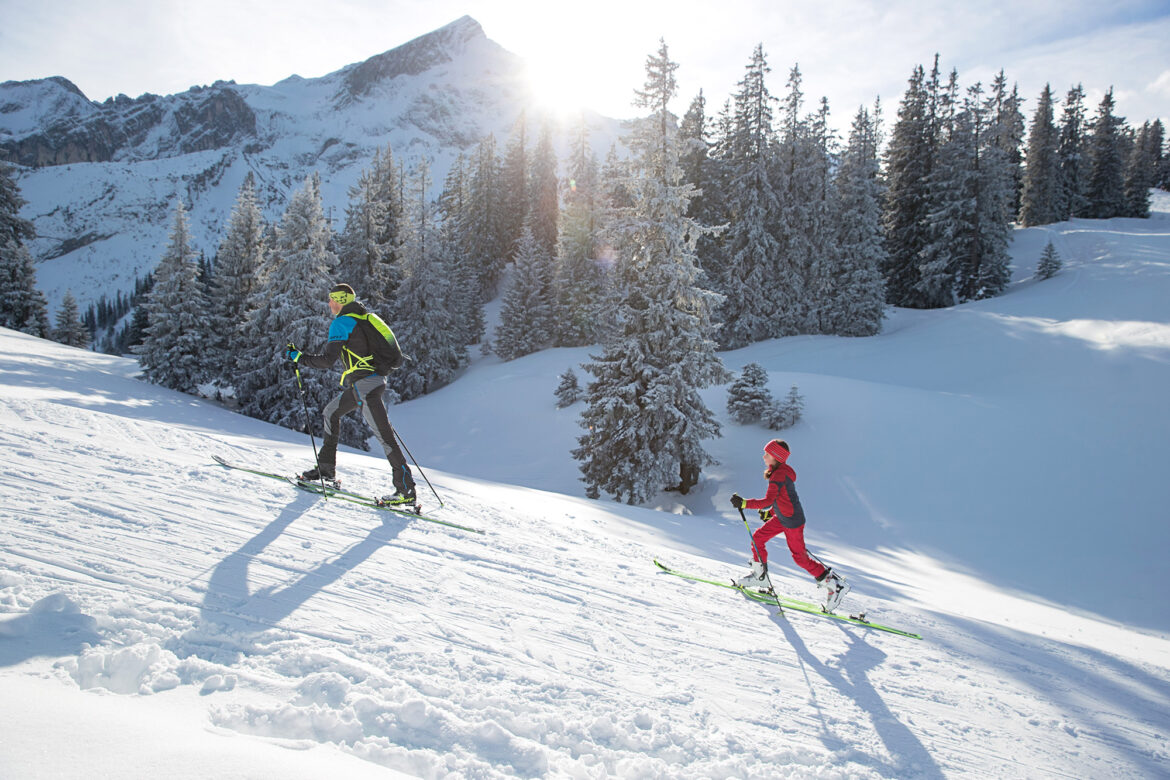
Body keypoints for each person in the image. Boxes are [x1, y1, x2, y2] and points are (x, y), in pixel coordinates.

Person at [285, 283, 416, 506]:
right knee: (331, 413)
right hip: (365, 384)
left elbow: (327, 360)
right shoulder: (361, 319)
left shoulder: (343, 322)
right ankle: (326, 471)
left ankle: (406, 491)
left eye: (331, 299)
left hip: (367, 387)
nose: (329, 303)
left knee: (385, 438)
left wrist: (300, 358)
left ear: (341, 300)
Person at [730, 439, 849, 612]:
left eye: (767, 454)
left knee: (800, 558)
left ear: (776, 457)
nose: (764, 456)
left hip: (792, 521)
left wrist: (744, 504)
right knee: (758, 538)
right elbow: (782, 498)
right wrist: (769, 513)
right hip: (783, 517)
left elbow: (769, 500)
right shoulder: (779, 472)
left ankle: (835, 586)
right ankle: (760, 575)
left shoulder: (779, 475)